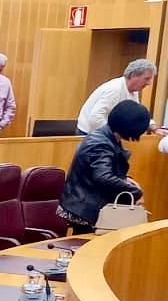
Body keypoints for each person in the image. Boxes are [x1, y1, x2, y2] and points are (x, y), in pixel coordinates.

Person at [59, 99, 149, 232]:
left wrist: (127, 180)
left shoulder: (107, 138)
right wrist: (135, 192)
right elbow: (103, 177)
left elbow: (108, 171)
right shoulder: (101, 143)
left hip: (86, 203)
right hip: (84, 208)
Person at [77, 58, 158, 135]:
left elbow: (137, 116)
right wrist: (117, 134)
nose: (149, 83)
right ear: (133, 75)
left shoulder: (133, 91)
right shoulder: (115, 89)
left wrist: (154, 128)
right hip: (89, 136)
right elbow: (95, 119)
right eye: (146, 78)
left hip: (104, 135)